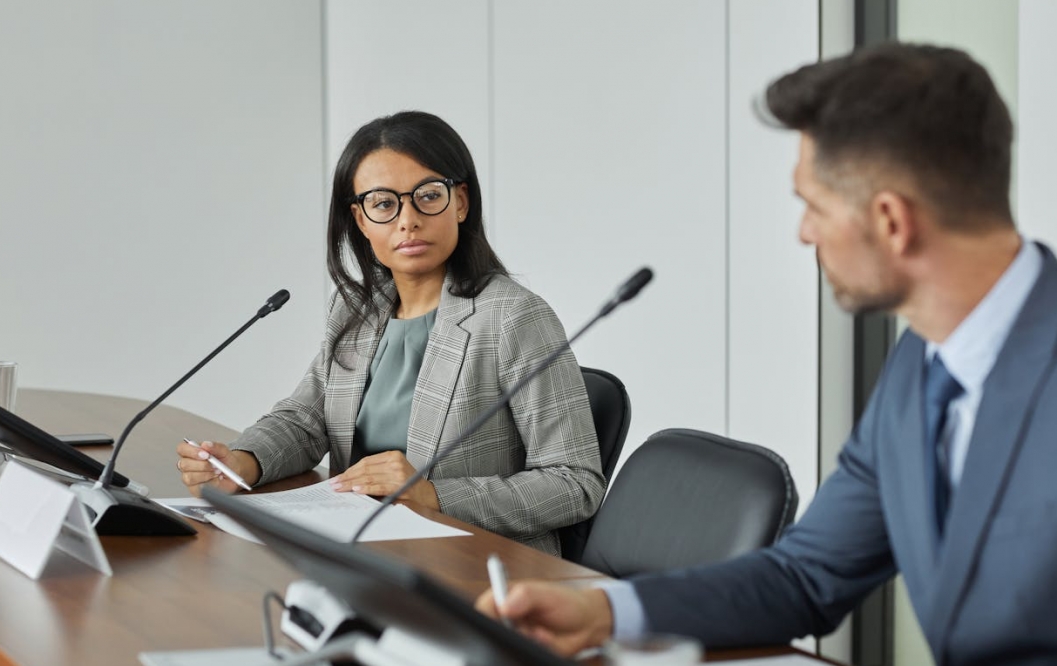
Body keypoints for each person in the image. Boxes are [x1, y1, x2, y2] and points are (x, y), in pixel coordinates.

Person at [477, 43, 1057, 664]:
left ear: (892, 221)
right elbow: (807, 575)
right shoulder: (923, 364)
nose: (803, 232)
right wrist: (606, 610)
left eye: (813, 205)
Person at [176, 111, 605, 555]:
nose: (408, 220)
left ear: (460, 202)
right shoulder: (356, 309)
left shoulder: (513, 317)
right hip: (365, 553)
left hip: (477, 565)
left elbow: (575, 482)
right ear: (361, 220)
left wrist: (434, 495)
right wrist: (243, 462)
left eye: (427, 196)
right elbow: (306, 420)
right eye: (384, 204)